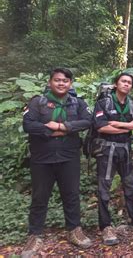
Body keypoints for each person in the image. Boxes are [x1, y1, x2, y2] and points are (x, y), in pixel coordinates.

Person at [22, 68, 93, 256]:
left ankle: (74, 230)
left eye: (65, 80)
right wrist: (50, 130)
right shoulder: (38, 102)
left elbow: (88, 121)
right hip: (42, 158)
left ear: (70, 83)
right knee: (39, 197)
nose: (61, 83)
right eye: (57, 80)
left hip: (68, 156)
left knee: (71, 195)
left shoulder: (78, 103)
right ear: (50, 82)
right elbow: (28, 124)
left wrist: (64, 127)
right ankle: (35, 235)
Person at [92, 72, 133, 245]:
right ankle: (106, 226)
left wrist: (121, 125)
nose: (126, 84)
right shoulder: (104, 102)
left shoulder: (132, 104)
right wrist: (128, 129)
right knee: (104, 187)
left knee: (130, 185)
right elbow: (101, 127)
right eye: (123, 81)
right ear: (116, 84)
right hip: (107, 150)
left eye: (129, 82)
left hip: (125, 150)